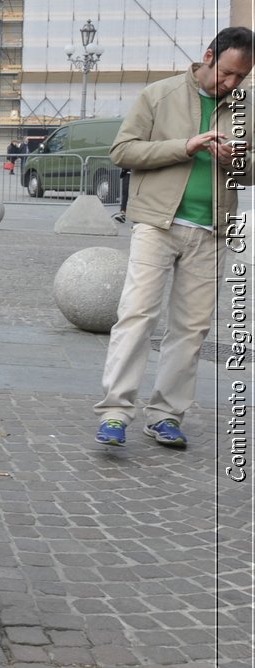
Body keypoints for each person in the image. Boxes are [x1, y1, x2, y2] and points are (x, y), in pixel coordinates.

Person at [95, 27, 254, 449]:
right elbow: (123, 151)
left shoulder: (245, 108)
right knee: (137, 315)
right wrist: (185, 146)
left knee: (191, 329)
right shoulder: (159, 94)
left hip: (214, 230)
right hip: (157, 224)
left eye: (242, 77)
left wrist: (240, 159)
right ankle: (115, 411)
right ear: (207, 56)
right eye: (227, 73)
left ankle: (166, 415)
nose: (232, 84)